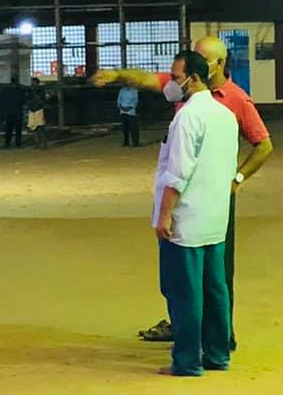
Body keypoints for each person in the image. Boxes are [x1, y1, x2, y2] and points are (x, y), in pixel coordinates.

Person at [98, 33, 272, 344]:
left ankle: (219, 334)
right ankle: (186, 325)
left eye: (200, 58)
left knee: (216, 270)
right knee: (181, 268)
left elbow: (263, 146)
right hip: (185, 195)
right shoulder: (185, 90)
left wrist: (237, 181)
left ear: (217, 64)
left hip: (213, 196)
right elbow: (149, 80)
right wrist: (117, 75)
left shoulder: (236, 100)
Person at [151, 50, 239, 377]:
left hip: (186, 221)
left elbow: (178, 172)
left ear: (195, 78)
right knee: (215, 290)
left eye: (176, 78)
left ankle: (187, 361)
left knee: (184, 293)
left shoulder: (187, 117)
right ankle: (217, 354)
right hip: (215, 218)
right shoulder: (224, 116)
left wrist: (164, 215)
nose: (173, 83)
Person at [0, 76, 27, 148]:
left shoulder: (5, 91)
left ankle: (7, 143)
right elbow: (23, 101)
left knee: (8, 129)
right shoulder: (20, 91)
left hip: (8, 112)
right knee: (18, 129)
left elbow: (1, 100)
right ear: (17, 82)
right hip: (18, 112)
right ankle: (18, 143)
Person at [25, 76, 49, 146]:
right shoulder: (29, 91)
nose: (33, 84)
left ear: (37, 83)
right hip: (32, 110)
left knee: (40, 127)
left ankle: (44, 143)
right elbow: (27, 100)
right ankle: (37, 143)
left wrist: (34, 93)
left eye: (34, 83)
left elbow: (40, 100)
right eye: (32, 83)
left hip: (38, 110)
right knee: (33, 127)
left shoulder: (40, 90)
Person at [117, 81, 141, 147]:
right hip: (122, 111)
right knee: (124, 128)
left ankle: (135, 142)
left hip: (131, 111)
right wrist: (121, 106)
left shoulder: (134, 90)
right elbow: (119, 100)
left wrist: (129, 107)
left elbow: (135, 100)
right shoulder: (122, 90)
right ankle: (125, 142)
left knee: (133, 127)